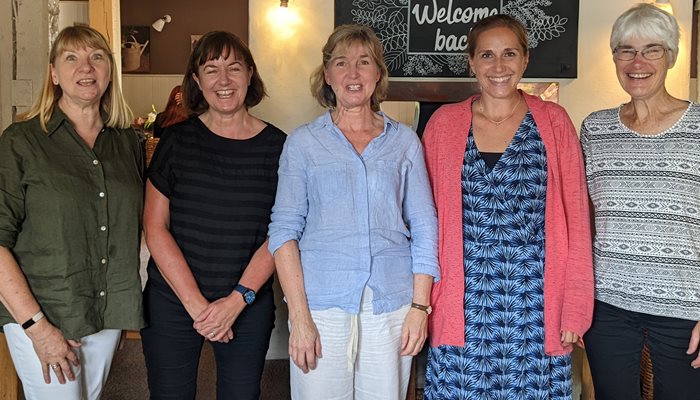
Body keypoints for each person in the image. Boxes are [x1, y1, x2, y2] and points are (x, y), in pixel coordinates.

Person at [422, 14, 594, 399]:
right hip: (461, 303)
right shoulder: (443, 125)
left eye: (509, 54)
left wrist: (575, 306)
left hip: (536, 303)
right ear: (471, 62)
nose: (498, 67)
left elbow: (578, 219)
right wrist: (423, 301)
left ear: (526, 59)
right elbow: (422, 221)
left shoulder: (554, 121)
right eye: (486, 55)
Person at [268, 24, 439, 400]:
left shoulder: (405, 142)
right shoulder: (303, 143)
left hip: (391, 303)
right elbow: (283, 231)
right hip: (321, 306)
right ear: (327, 75)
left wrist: (419, 307)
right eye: (341, 63)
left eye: (364, 62)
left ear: (378, 74)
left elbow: (425, 227)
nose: (353, 73)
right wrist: (299, 317)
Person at [140, 31, 286, 400]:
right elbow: (155, 228)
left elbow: (283, 231)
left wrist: (236, 300)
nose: (223, 81)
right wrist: (199, 308)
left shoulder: (280, 148)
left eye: (234, 68)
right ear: (196, 80)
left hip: (247, 304)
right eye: (211, 69)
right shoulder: (175, 141)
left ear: (250, 74)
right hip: (173, 300)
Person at [0, 25, 143, 400]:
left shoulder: (127, 141)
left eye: (97, 57)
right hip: (46, 310)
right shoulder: (22, 141)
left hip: (106, 309)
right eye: (72, 58)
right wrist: (37, 327)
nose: (86, 67)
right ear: (53, 73)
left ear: (109, 70)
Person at [580, 4, 700, 399]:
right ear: (614, 57)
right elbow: (585, 219)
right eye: (625, 50)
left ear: (671, 56)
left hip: (686, 309)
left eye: (652, 49)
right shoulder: (595, 129)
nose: (637, 62)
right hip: (608, 307)